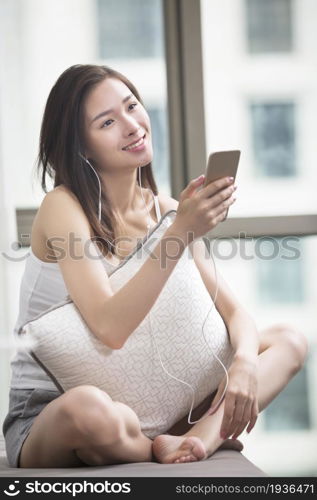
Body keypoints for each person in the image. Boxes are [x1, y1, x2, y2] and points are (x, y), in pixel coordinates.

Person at [3, 64, 307, 468]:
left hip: (158, 406)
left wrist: (245, 365)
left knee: (288, 340)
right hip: (55, 411)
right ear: (82, 147)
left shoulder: (165, 210)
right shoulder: (64, 206)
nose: (131, 125)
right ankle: (172, 443)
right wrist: (179, 233)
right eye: (107, 121)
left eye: (132, 106)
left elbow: (235, 314)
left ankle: (194, 439)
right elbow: (110, 328)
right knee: (90, 411)